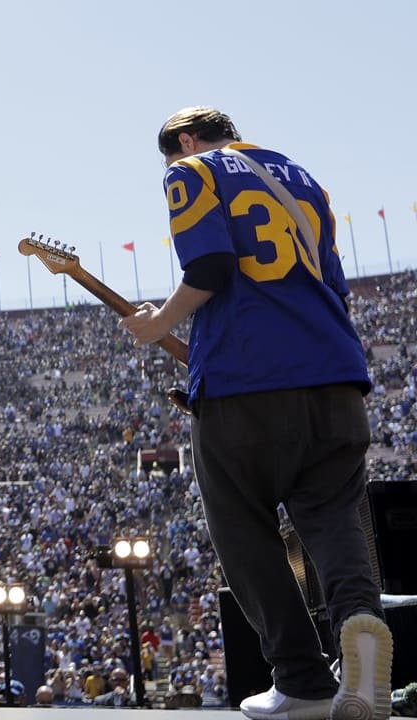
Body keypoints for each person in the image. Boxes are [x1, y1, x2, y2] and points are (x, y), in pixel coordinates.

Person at [120, 106, 392, 720]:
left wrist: (157, 323)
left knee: (242, 530)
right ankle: (361, 624)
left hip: (246, 386)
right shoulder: (303, 180)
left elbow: (211, 268)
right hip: (335, 378)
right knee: (334, 522)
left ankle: (301, 680)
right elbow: (331, 284)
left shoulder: (192, 170)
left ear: (185, 141)